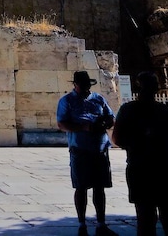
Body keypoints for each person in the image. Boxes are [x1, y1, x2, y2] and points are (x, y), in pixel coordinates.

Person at [111, 72, 168, 236]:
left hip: (140, 167)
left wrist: (135, 144)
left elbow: (116, 138)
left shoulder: (127, 110)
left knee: (145, 219)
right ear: (157, 88)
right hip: (166, 168)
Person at [57, 70, 117, 236]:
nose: (86, 89)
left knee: (100, 188)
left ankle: (101, 224)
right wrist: (84, 127)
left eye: (87, 86)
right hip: (80, 149)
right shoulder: (67, 101)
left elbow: (111, 117)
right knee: (81, 187)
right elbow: (61, 124)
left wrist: (104, 122)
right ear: (75, 85)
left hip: (100, 149)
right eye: (82, 85)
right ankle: (82, 224)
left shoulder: (98, 99)